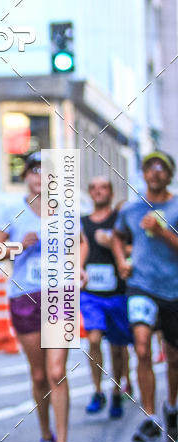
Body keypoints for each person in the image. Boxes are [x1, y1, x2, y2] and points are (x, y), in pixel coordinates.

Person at [0, 151, 76, 442]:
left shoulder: (67, 211)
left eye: (46, 171)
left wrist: (79, 269)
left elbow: (80, 244)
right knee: (39, 375)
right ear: (25, 176)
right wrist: (19, 246)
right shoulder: (10, 211)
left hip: (59, 294)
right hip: (24, 297)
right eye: (34, 170)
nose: (40, 177)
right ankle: (46, 438)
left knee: (57, 372)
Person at [112, 151, 178, 442]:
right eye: (150, 167)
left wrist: (161, 231)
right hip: (141, 286)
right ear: (143, 174)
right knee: (141, 348)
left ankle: (172, 407)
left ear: (170, 174)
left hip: (173, 289)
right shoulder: (131, 209)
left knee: (174, 357)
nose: (155, 172)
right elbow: (117, 236)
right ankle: (150, 417)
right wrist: (121, 262)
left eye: (161, 167)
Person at [79, 177, 133, 418]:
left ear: (111, 193)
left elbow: (133, 249)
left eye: (103, 188)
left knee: (118, 347)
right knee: (93, 339)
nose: (98, 191)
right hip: (91, 294)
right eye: (93, 188)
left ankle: (117, 390)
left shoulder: (120, 220)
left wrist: (112, 243)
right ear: (90, 193)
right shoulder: (82, 223)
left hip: (118, 293)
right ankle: (97, 390)